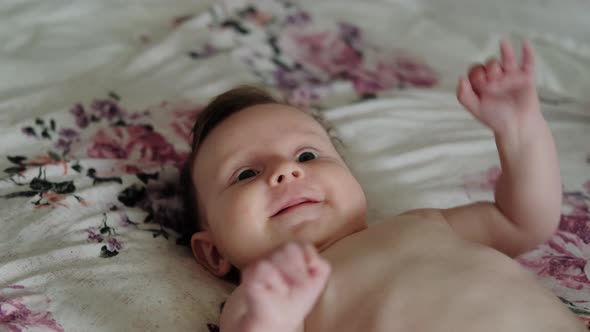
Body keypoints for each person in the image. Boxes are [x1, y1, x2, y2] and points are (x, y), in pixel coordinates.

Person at [182, 40, 586, 331]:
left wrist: (520, 132)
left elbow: (524, 220)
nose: (286, 171)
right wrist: (274, 318)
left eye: (307, 156)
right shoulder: (262, 300)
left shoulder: (424, 224)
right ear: (213, 251)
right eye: (246, 174)